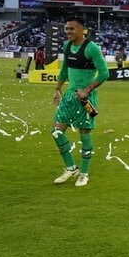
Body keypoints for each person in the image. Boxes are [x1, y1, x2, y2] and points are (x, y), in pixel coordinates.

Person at [51, 16, 109, 187]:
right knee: (56, 132)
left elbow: (105, 73)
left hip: (87, 99)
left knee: (85, 134)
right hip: (69, 97)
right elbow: (64, 71)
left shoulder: (92, 48)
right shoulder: (66, 46)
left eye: (72, 29)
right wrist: (57, 89)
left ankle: (84, 173)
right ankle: (71, 168)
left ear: (81, 30)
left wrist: (87, 90)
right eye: (66, 28)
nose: (68, 32)